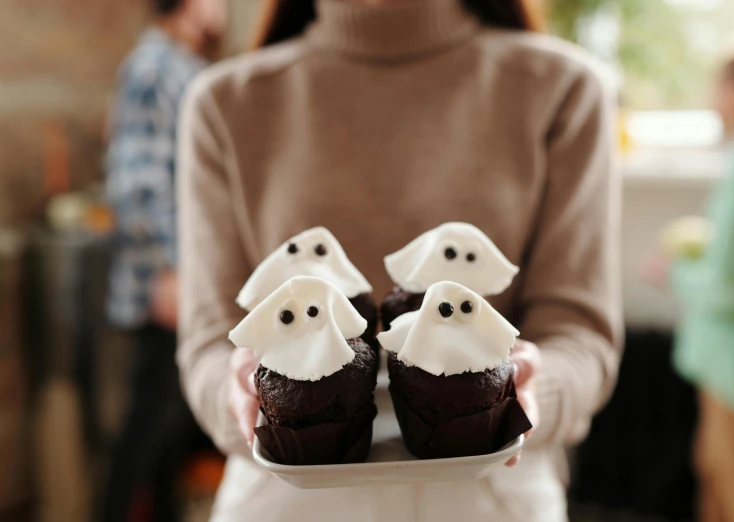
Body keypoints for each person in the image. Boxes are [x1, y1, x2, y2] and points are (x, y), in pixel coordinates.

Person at [176, 0, 621, 520]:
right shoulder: (226, 101)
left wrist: (523, 392)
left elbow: (581, 334)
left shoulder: (562, 87)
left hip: (495, 494)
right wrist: (243, 400)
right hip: (282, 497)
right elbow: (210, 342)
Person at [645, 37, 734, 522]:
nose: (710, 98)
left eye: (716, 87)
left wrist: (676, 271)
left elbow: (732, 288)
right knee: (715, 475)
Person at [102, 0, 226, 520]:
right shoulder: (155, 69)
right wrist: (169, 271)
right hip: (168, 285)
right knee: (145, 433)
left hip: (188, 279)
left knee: (169, 437)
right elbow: (138, 183)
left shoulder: (183, 67)